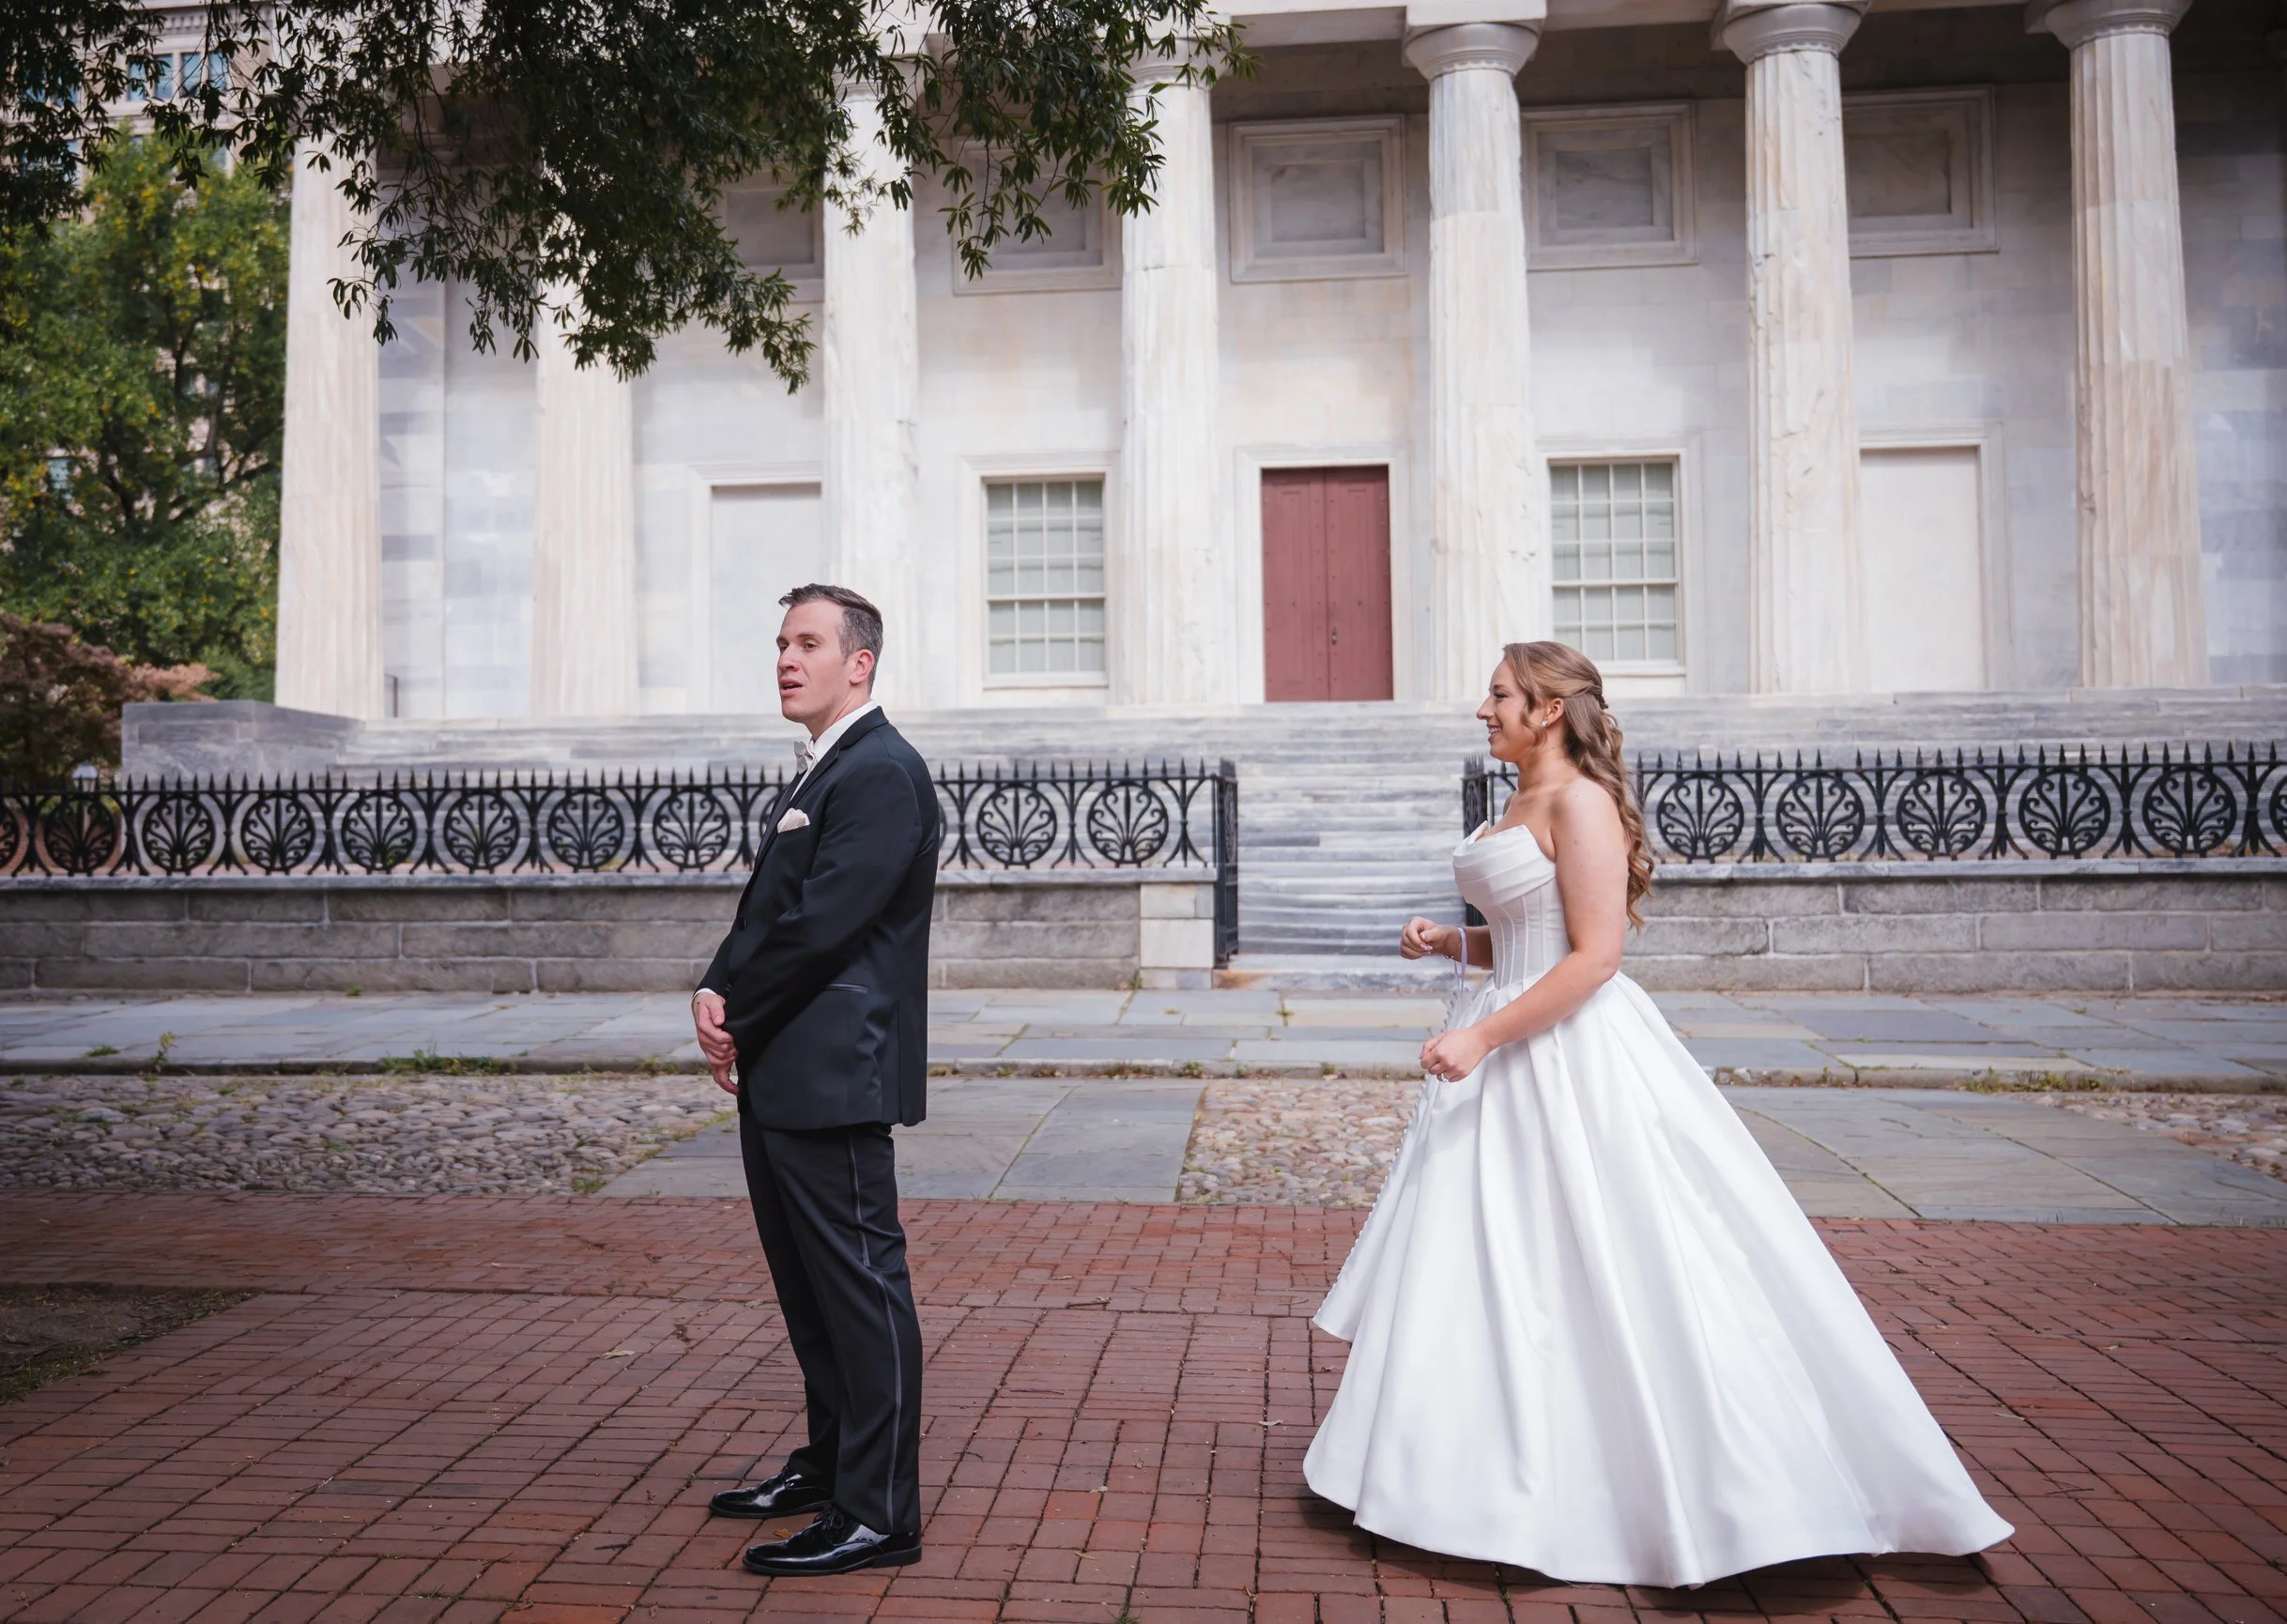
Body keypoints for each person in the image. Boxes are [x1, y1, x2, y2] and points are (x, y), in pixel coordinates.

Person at [1303, 640, 2013, 1586]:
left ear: (1549, 708)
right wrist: (1454, 942)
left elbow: (1594, 957)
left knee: (1621, 1250)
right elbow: (1529, 939)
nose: (1484, 708)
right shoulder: (1513, 802)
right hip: (1511, 1034)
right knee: (1492, 1258)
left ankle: (1696, 1489)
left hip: (1566, 1053)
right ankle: (1457, 1466)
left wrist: (1483, 1037)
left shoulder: (1581, 803)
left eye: (1501, 693)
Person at [690, 583, 942, 1578]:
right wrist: (717, 985)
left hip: (836, 1071)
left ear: (860, 662)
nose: (787, 659)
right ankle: (832, 1462)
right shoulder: (829, 767)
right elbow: (772, 911)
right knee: (810, 1291)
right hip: (785, 1067)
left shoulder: (880, 771)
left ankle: (879, 1510)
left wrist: (737, 1011)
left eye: (808, 643)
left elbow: (827, 921)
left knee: (862, 1289)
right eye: (781, 643)